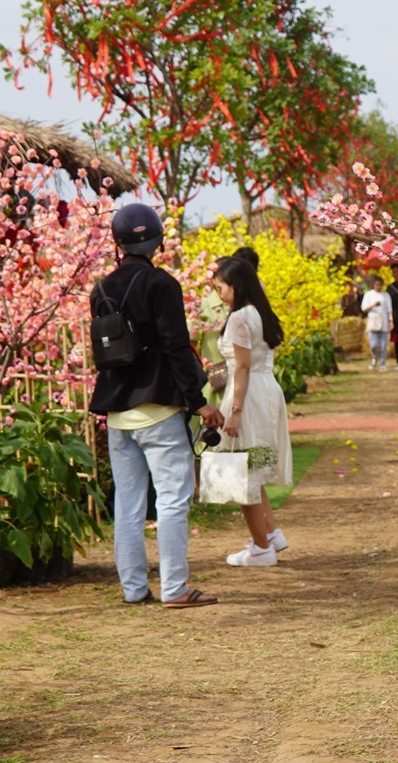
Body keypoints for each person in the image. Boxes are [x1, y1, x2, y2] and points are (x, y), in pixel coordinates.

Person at [89, 202, 222, 609]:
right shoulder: (162, 284)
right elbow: (176, 347)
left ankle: (133, 590)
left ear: (118, 242)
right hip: (158, 410)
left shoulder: (101, 289)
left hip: (117, 413)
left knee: (127, 504)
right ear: (157, 241)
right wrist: (199, 401)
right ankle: (176, 588)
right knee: (172, 499)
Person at [211, 256, 293, 567]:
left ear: (236, 285)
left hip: (247, 393)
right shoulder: (259, 313)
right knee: (251, 468)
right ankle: (269, 533)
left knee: (239, 471)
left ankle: (261, 548)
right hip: (265, 390)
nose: (220, 294)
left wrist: (234, 411)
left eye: (221, 288)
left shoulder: (239, 318)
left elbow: (242, 368)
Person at [361, 274, 392, 371]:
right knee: (374, 345)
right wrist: (373, 305)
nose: (378, 286)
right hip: (373, 322)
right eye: (377, 285)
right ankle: (375, 357)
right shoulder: (368, 295)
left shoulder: (386, 295)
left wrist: (391, 321)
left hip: (384, 322)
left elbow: (389, 310)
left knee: (383, 345)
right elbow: (364, 308)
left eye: (380, 285)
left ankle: (382, 364)